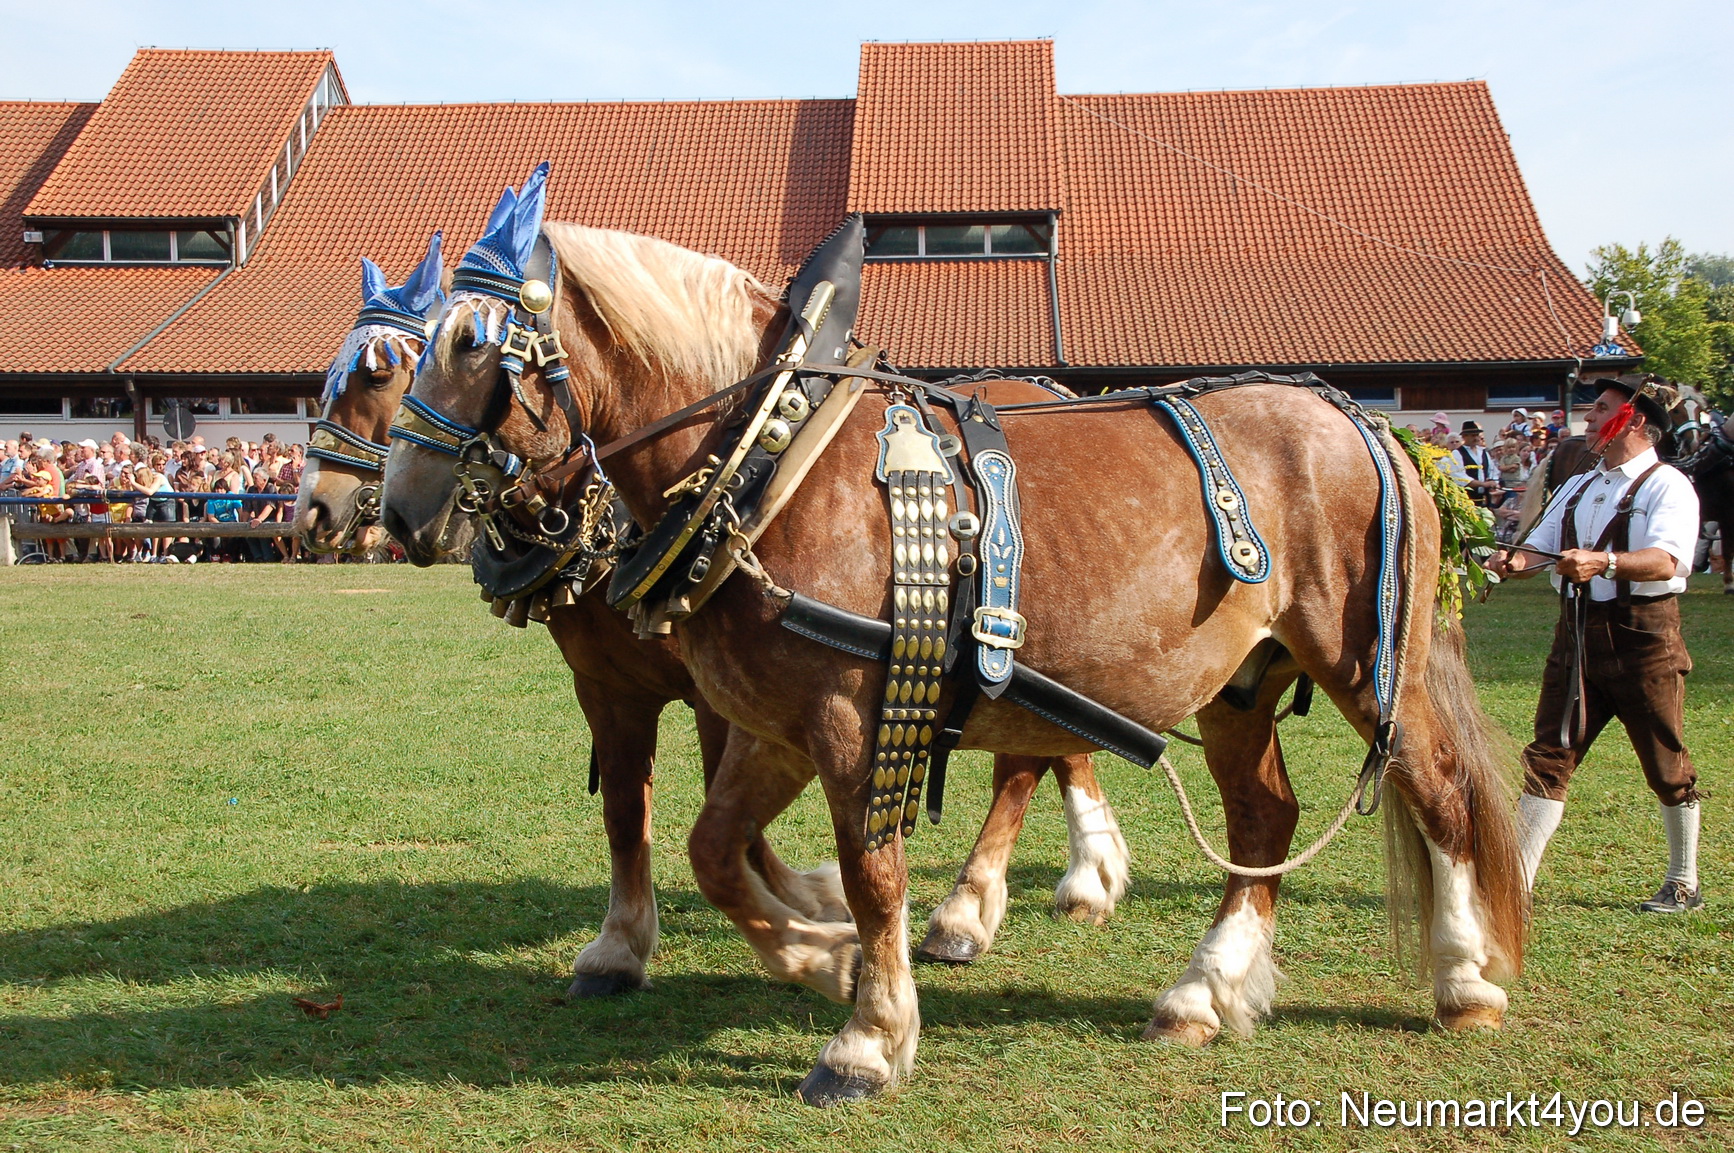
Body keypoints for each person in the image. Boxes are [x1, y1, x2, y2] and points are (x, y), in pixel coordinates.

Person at [1487, 379, 1704, 913]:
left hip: (1643, 635)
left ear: (1632, 421)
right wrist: (1511, 564)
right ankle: (1516, 883)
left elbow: (1669, 562)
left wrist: (1602, 561)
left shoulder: (1667, 485)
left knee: (1664, 762)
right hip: (1576, 631)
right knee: (1548, 755)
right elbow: (1539, 549)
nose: (1587, 418)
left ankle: (1683, 880)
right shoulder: (1578, 484)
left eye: (1600, 409)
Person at [1446, 420, 1500, 507]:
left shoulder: (1484, 452)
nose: (1476, 438)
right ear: (1464, 437)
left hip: (1485, 498)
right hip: (1466, 498)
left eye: (1477, 435)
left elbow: (1492, 470)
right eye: (1472, 435)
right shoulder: (1457, 453)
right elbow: (1459, 476)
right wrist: (1482, 484)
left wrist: (1493, 481)